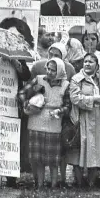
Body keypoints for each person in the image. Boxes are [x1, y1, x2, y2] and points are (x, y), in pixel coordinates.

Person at [0, 18, 32, 189]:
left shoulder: (20, 57)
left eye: (17, 36)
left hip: (13, 107)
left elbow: (26, 76)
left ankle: (11, 178)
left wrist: (15, 62)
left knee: (13, 141)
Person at [24, 58, 71, 188]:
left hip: (54, 125)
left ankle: (53, 186)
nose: (49, 72)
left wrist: (59, 111)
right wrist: (28, 104)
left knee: (53, 161)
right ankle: (39, 185)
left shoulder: (66, 85)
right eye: (48, 68)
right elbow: (22, 93)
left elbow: (68, 106)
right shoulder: (38, 80)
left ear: (60, 71)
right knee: (38, 160)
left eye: (53, 70)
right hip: (35, 123)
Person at [66, 53, 100, 187]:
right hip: (81, 118)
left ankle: (91, 184)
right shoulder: (77, 79)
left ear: (97, 65)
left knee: (95, 150)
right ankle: (79, 183)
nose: (87, 64)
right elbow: (75, 98)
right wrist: (92, 99)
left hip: (98, 119)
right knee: (79, 153)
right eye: (85, 61)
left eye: (91, 62)